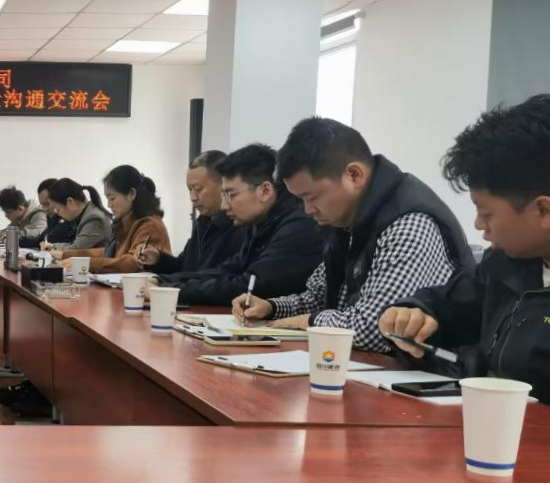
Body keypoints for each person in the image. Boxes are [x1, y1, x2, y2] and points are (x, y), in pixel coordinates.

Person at [233, 117, 473, 353]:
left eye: (312, 197)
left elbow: (376, 330)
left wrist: (310, 321)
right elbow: (320, 297)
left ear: (354, 175)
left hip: (426, 372)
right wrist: (272, 307)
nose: (307, 210)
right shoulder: (346, 220)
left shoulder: (408, 223)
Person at [378, 95, 550, 400]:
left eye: (487, 213)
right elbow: (450, 305)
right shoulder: (506, 264)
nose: (478, 225)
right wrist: (414, 313)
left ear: (543, 210)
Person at [147, 144, 323, 305]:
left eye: (230, 195)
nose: (224, 205)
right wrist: (163, 281)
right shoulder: (260, 223)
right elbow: (226, 270)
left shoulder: (299, 226)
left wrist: (170, 290)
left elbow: (251, 285)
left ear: (265, 191)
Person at [49, 166, 171, 273]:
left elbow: (133, 262)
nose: (108, 205)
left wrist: (84, 263)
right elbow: (109, 253)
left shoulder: (150, 225)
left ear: (131, 194)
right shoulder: (124, 223)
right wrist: (65, 255)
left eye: (112, 198)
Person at [142, 150, 246, 274]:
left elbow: (215, 277)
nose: (192, 197)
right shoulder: (202, 223)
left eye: (198, 189)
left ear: (223, 185)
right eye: (190, 189)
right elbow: (183, 266)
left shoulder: (239, 226)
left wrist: (161, 281)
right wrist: (158, 259)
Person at [40, 178, 111, 251]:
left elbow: (75, 249)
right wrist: (53, 246)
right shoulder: (85, 214)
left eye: (58, 209)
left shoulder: (94, 218)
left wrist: (53, 250)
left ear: (70, 201)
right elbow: (74, 244)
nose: (57, 213)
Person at [21, 178, 75, 249]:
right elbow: (39, 241)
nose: (45, 209)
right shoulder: (51, 218)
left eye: (48, 204)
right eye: (42, 205)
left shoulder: (69, 218)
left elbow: (51, 239)